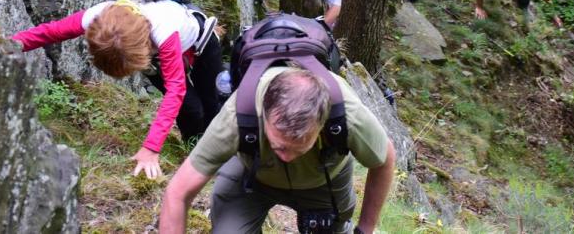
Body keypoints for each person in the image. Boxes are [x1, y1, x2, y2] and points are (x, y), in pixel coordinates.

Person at [11, 0, 224, 180]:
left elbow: (175, 90)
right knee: (191, 109)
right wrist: (8, 43)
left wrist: (151, 148)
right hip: (156, 58)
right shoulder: (98, 17)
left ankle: (217, 152)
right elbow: (50, 32)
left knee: (210, 100)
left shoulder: (163, 26)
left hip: (201, 45)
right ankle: (195, 151)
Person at [159, 66, 396, 234]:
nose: (288, 157)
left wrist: (365, 229)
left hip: (324, 181)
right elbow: (177, 192)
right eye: (280, 146)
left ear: (322, 125)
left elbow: (384, 159)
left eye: (300, 147)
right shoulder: (239, 114)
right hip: (252, 175)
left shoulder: (348, 115)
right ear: (264, 116)